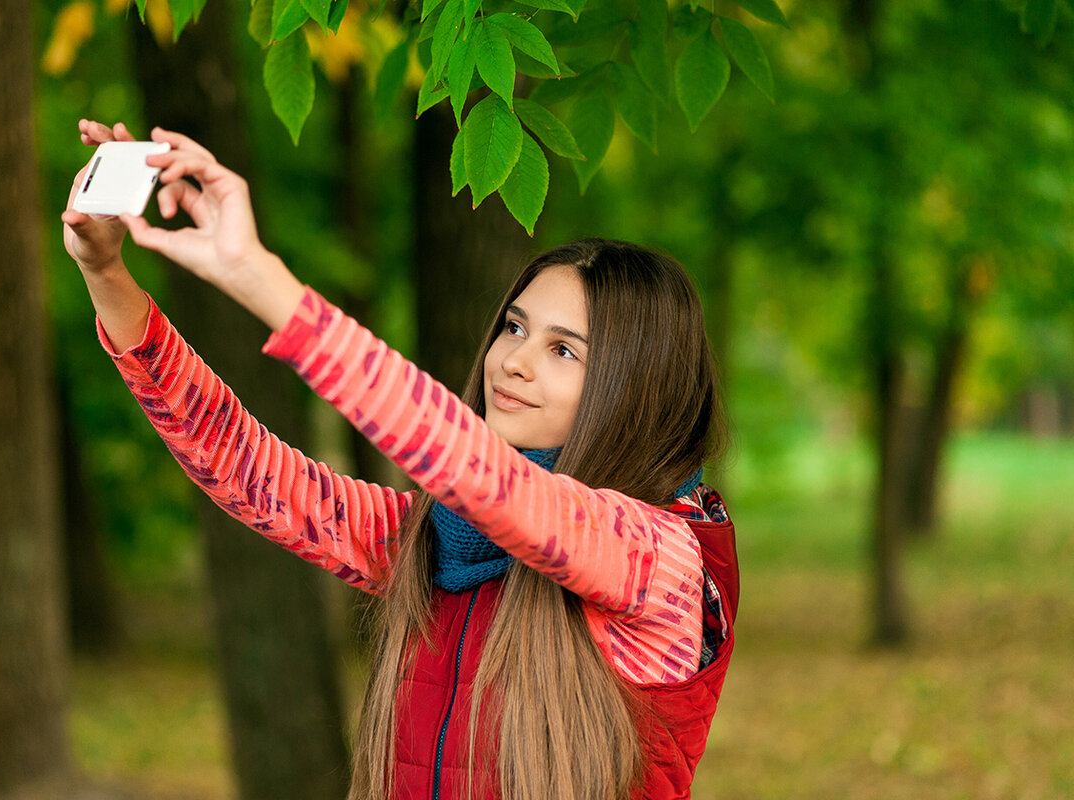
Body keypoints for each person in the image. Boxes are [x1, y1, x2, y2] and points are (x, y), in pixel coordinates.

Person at [63, 119, 739, 800]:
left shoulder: (656, 558)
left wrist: (254, 273)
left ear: (634, 387)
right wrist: (106, 273)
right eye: (514, 327)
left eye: (564, 351)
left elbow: (479, 474)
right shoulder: (440, 535)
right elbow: (247, 468)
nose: (514, 361)